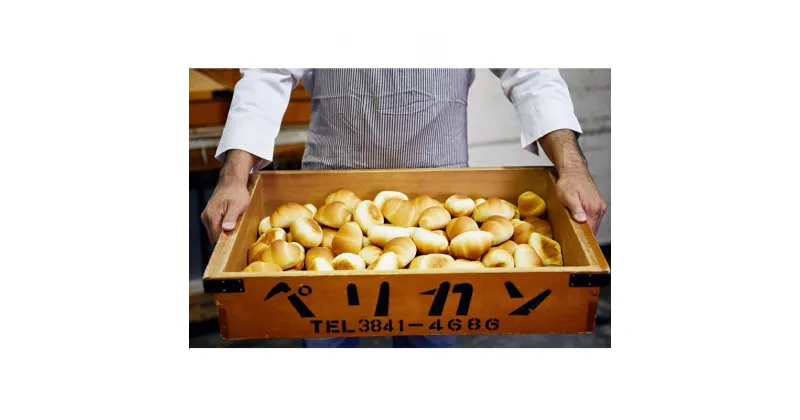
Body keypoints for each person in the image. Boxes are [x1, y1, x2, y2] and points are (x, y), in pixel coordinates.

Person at [201, 68, 607, 348]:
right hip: (328, 206)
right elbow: (266, 74)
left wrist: (571, 167)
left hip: (444, 216)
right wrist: (234, 176)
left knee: (429, 346)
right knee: (327, 344)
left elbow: (531, 71)